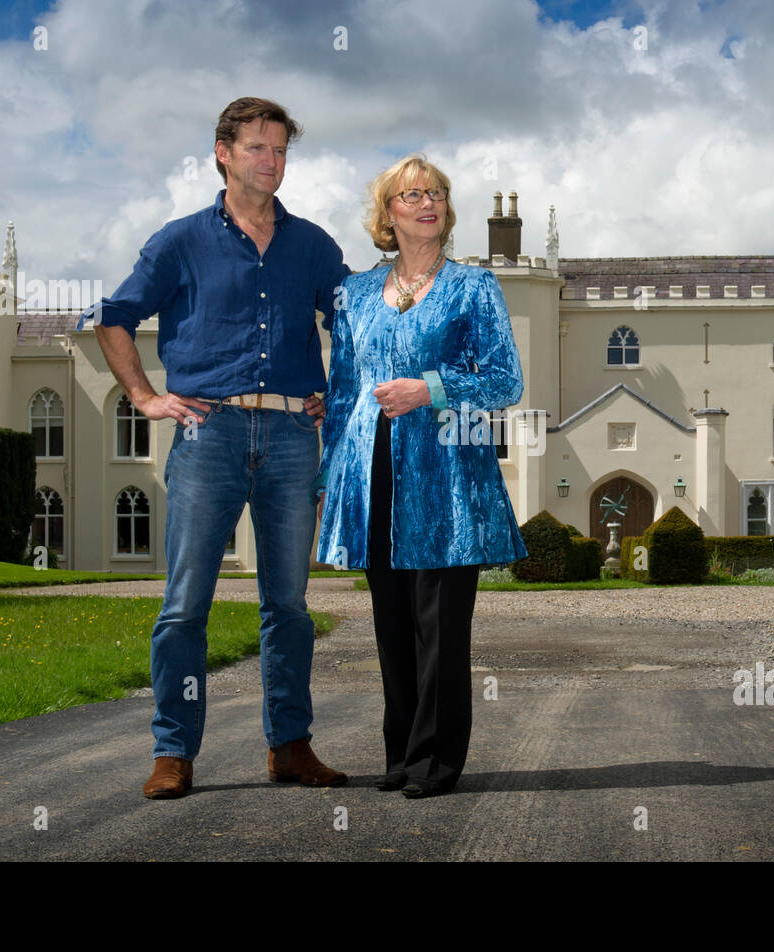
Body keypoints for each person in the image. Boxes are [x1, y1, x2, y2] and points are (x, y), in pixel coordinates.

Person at [83, 97, 350, 798]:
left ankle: (290, 746)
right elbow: (113, 318)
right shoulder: (178, 241)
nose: (272, 161)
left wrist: (341, 390)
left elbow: (358, 321)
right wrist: (144, 397)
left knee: (287, 606)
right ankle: (173, 752)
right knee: (185, 605)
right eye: (258, 148)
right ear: (223, 155)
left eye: (282, 150)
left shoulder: (314, 246)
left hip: (294, 436)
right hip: (210, 434)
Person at [314, 155, 527, 799]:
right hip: (372, 470)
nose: (426, 202)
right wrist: (331, 478)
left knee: (440, 626)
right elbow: (345, 389)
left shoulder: (474, 288)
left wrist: (429, 387)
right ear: (388, 214)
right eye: (411, 195)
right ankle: (402, 755)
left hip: (447, 479)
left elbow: (505, 381)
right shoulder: (352, 294)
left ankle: (437, 760)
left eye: (435, 192)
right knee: (392, 622)